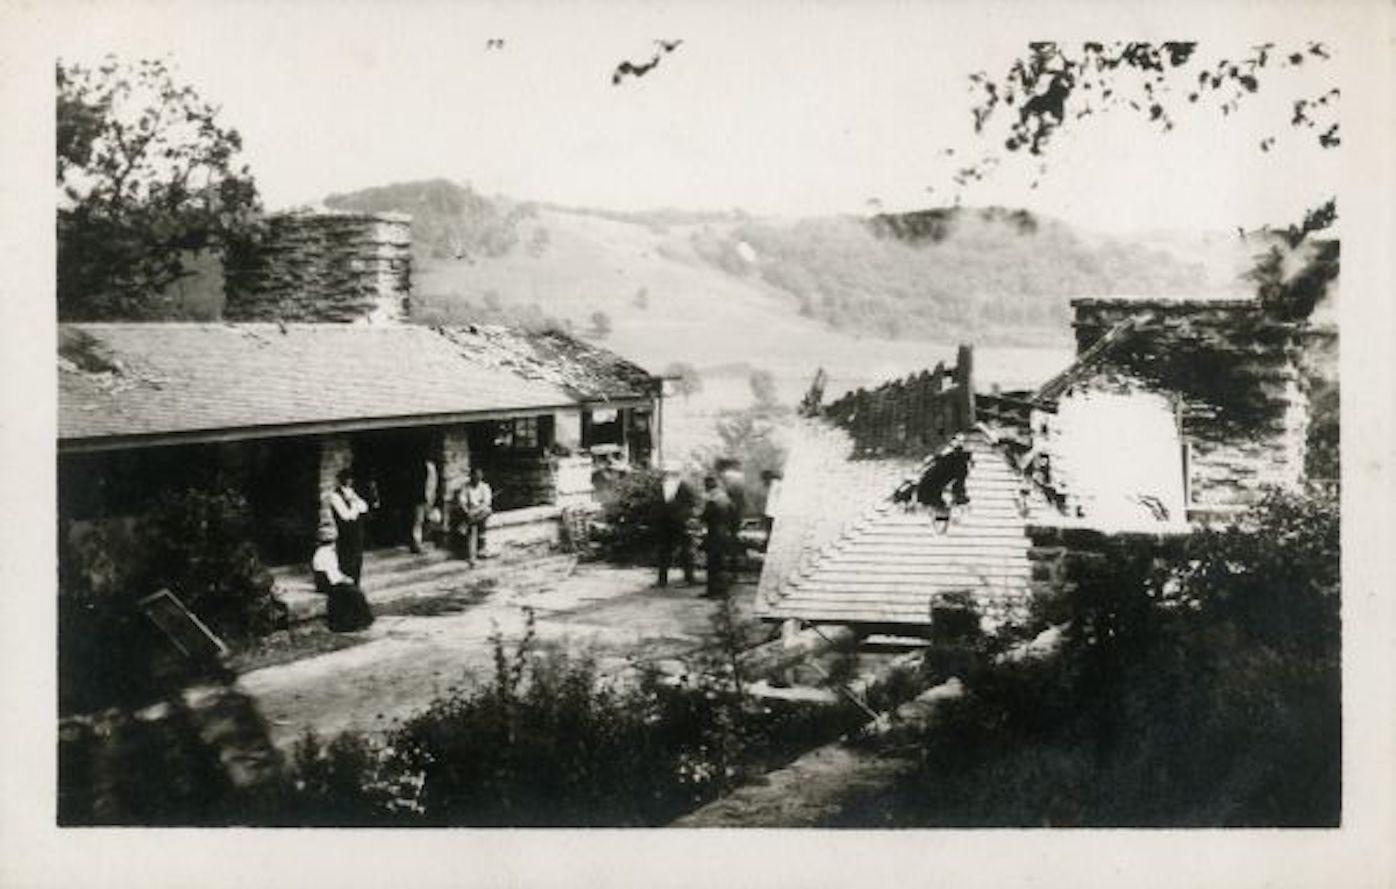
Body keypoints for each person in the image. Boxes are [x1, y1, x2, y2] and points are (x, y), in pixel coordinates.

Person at [311, 532, 374, 632]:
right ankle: (353, 622)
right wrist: (345, 580)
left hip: (330, 580)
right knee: (353, 592)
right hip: (326, 583)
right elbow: (332, 576)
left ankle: (360, 621)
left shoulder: (328, 552)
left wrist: (344, 578)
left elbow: (335, 572)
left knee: (354, 590)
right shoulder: (325, 554)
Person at [916, 434, 973, 533]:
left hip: (939, 485)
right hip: (935, 486)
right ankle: (942, 524)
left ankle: (944, 523)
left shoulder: (955, 458)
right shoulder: (947, 456)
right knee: (939, 503)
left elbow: (959, 478)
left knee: (942, 503)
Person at [655, 462, 698, 588]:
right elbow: (658, 504)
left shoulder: (685, 487)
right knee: (663, 551)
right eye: (667, 473)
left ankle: (689, 578)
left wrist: (685, 517)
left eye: (671, 473)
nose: (668, 475)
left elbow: (692, 503)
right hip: (665, 524)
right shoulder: (661, 487)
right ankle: (662, 580)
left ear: (677, 474)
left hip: (680, 523)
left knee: (685, 550)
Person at [326, 467, 370, 583]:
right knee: (346, 559)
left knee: (357, 559)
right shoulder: (335, 496)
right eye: (346, 479)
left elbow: (364, 507)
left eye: (351, 479)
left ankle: (356, 584)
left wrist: (354, 502)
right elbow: (345, 515)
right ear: (341, 480)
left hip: (357, 532)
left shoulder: (352, 492)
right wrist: (354, 505)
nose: (349, 482)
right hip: (345, 532)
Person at [701, 475, 734, 599]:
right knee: (720, 563)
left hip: (714, 533)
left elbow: (705, 516)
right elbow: (733, 513)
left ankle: (714, 592)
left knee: (713, 563)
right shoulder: (724, 497)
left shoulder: (712, 499)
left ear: (708, 485)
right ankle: (720, 592)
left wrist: (699, 518)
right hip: (724, 532)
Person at [454, 467, 493, 566]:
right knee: (473, 528)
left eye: (479, 476)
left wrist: (475, 512)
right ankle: (472, 557)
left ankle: (466, 524)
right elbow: (462, 502)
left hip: (479, 511)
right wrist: (467, 511)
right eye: (475, 476)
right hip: (469, 512)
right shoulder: (465, 487)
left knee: (488, 511)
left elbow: (486, 503)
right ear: (471, 476)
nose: (477, 478)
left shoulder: (484, 487)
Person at [717, 459, 749, 574]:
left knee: (722, 538)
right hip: (737, 511)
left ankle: (725, 567)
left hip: (727, 512)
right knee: (734, 538)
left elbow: (723, 494)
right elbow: (742, 496)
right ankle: (734, 567)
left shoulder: (725, 476)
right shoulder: (740, 476)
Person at [409, 457, 439, 554]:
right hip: (420, 498)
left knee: (434, 518)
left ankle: (423, 539)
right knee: (418, 521)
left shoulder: (431, 467)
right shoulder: (418, 468)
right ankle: (417, 543)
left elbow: (432, 484)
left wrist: (432, 497)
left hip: (430, 497)